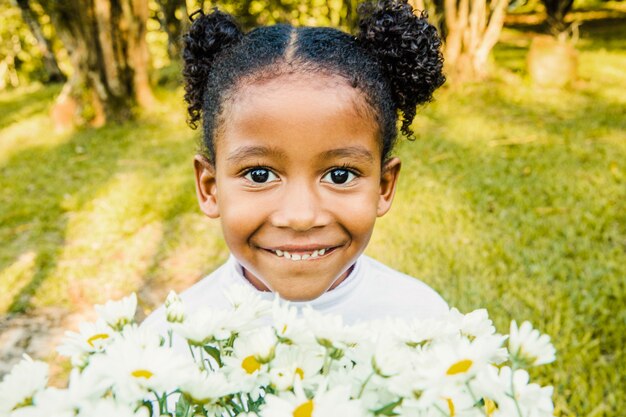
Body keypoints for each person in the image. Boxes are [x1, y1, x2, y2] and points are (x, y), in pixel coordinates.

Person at [144, 0, 448, 330]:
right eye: (260, 175)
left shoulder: (425, 324)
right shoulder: (172, 339)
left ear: (383, 187)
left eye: (340, 175)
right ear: (210, 188)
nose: (301, 217)